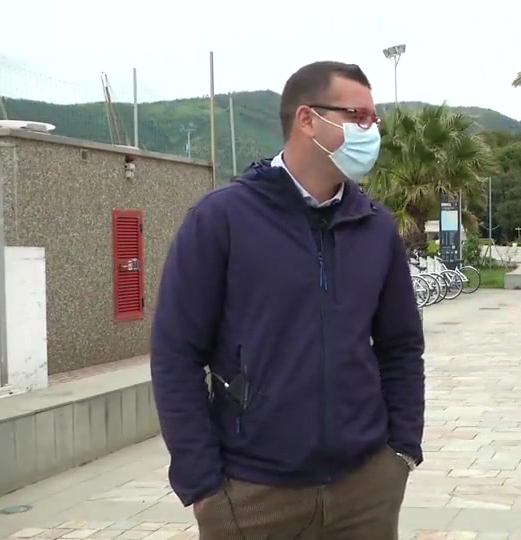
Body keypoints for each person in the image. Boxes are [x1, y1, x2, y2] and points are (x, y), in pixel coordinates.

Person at [150, 61, 425, 540]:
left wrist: (400, 451)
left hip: (365, 491)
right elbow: (176, 356)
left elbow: (401, 346)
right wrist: (204, 487)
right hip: (252, 495)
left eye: (373, 120)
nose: (371, 132)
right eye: (358, 116)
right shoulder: (222, 220)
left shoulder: (376, 227)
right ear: (307, 120)